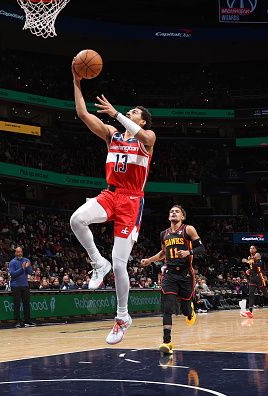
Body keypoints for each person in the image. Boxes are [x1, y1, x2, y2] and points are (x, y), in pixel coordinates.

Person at [69, 59, 156, 344]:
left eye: (134, 113)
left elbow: (142, 134)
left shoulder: (147, 138)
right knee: (77, 219)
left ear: (142, 119)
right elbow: (82, 114)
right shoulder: (112, 135)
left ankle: (122, 317)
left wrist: (118, 114)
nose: (128, 113)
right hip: (111, 193)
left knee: (121, 265)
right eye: (128, 112)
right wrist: (76, 80)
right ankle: (97, 263)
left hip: (132, 201)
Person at [140, 205, 205, 355]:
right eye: (171, 211)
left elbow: (202, 248)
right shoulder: (164, 234)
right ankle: (167, 342)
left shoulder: (188, 229)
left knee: (185, 310)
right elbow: (163, 253)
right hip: (169, 274)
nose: (173, 213)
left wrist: (189, 252)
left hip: (185, 275)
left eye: (177, 211)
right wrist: (149, 260)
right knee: (167, 308)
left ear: (182, 217)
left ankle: (190, 311)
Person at [240, 245, 268, 319]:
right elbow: (253, 267)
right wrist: (249, 270)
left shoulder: (257, 255)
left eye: (253, 248)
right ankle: (250, 312)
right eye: (250, 248)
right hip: (252, 277)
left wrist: (247, 261)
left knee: (265, 293)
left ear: (256, 249)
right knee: (250, 294)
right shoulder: (250, 257)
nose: (251, 249)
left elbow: (259, 265)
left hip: (259, 277)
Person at [8, 246, 35, 328]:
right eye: (17, 252)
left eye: (20, 252)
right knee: (17, 304)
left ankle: (27, 321)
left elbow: (30, 272)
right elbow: (13, 274)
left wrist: (28, 267)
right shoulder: (12, 262)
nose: (19, 253)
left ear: (22, 252)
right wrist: (22, 269)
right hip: (15, 285)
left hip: (25, 285)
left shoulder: (26, 260)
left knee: (26, 303)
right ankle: (17, 322)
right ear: (15, 253)